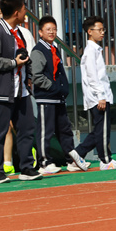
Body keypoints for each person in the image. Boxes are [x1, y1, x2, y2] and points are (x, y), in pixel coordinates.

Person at [0, 0, 41, 184]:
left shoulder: (19, 33)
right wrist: (13, 63)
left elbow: (24, 57)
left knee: (26, 129)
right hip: (0, 92)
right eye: (23, 9)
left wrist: (28, 75)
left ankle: (27, 167)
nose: (25, 12)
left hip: (21, 90)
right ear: (16, 13)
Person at [31, 16, 90, 174]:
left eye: (54, 29)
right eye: (48, 29)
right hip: (46, 97)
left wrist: (61, 89)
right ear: (40, 32)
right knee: (45, 131)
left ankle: (71, 160)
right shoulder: (38, 50)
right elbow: (36, 75)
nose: (52, 32)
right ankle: (44, 163)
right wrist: (52, 87)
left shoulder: (54, 48)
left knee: (65, 130)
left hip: (58, 98)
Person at [75, 16, 116, 170]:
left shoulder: (95, 50)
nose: (103, 32)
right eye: (100, 30)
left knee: (100, 130)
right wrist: (101, 96)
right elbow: (92, 76)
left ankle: (77, 154)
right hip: (98, 97)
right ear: (90, 32)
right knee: (102, 130)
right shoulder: (91, 51)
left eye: (103, 29)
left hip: (100, 96)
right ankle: (105, 160)